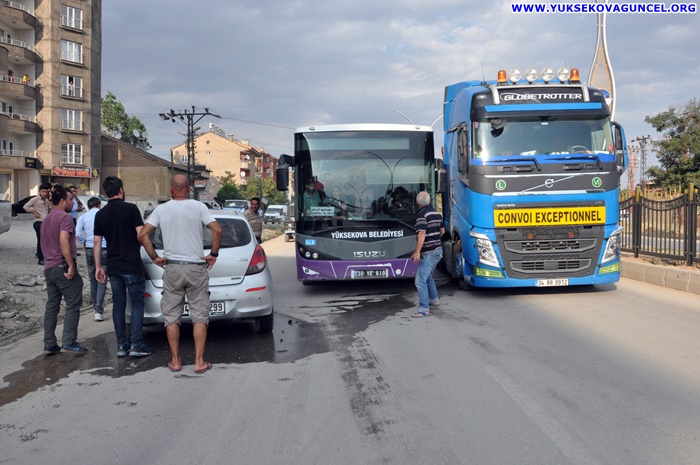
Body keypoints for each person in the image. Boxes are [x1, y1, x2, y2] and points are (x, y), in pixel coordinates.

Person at [138, 174, 222, 374]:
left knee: (171, 316)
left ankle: (175, 361)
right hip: (196, 267)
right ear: (188, 189)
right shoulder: (199, 207)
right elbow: (217, 230)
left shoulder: (162, 209)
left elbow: (143, 234)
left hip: (173, 268)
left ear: (171, 189)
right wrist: (213, 254)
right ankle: (199, 362)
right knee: (199, 315)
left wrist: (155, 257)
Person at [93, 176, 152, 358]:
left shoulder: (100, 214)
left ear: (106, 193)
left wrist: (98, 267)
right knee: (137, 303)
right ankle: (136, 344)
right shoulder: (131, 209)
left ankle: (121, 346)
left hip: (113, 266)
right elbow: (141, 235)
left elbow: (97, 243)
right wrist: (151, 254)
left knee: (118, 305)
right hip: (132, 264)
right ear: (121, 190)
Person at [40, 186, 87, 354]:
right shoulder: (65, 217)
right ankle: (69, 342)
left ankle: (49, 343)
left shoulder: (46, 219)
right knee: (73, 304)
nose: (72, 203)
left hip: (49, 267)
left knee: (52, 305)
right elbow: (63, 241)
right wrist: (71, 265)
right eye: (70, 200)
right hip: (62, 267)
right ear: (62, 201)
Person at [410, 191, 445, 318]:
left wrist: (417, 252)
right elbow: (442, 231)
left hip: (430, 252)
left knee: (420, 281)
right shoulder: (437, 213)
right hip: (437, 250)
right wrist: (434, 239)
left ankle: (424, 309)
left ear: (417, 202)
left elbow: (422, 234)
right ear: (430, 201)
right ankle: (434, 299)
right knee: (428, 275)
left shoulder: (422, 215)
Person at [76, 196, 108, 321]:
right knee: (102, 279)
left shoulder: (83, 217)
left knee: (93, 279)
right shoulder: (104, 215)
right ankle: (98, 310)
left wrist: (84, 242)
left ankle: (96, 307)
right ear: (99, 205)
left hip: (90, 248)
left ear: (88, 206)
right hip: (104, 248)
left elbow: (78, 233)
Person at [24, 182, 52, 265]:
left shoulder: (46, 201)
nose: (44, 193)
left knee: (46, 240)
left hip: (46, 222)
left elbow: (50, 209)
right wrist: (35, 213)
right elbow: (26, 206)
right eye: (43, 191)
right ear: (39, 191)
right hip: (38, 222)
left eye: (46, 192)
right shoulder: (35, 199)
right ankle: (40, 259)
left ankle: (45, 256)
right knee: (41, 239)